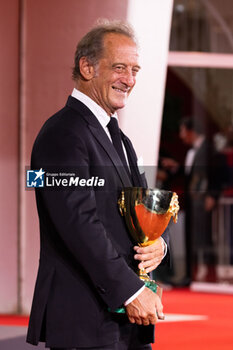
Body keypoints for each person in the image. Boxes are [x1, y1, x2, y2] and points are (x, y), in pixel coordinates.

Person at [26, 20, 170, 350]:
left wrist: (159, 245)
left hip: (124, 321)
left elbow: (142, 211)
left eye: (135, 69)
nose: (130, 80)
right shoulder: (62, 133)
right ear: (87, 67)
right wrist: (131, 292)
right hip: (86, 320)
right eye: (119, 67)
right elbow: (78, 224)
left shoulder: (121, 139)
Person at [162, 117, 225, 283]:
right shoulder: (193, 151)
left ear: (191, 131)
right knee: (191, 238)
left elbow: (218, 172)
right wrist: (177, 167)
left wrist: (213, 194)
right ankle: (191, 276)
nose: (181, 136)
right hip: (193, 203)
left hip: (205, 202)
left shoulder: (209, 149)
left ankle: (207, 276)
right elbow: (192, 175)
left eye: (183, 131)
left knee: (204, 239)